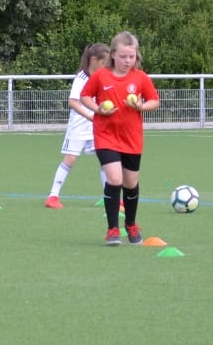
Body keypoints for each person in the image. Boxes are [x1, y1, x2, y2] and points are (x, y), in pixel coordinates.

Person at [69, 31, 161, 245]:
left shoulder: (140, 77)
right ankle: (112, 229)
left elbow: (154, 101)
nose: (127, 61)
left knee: (130, 183)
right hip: (105, 136)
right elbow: (84, 96)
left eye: (131, 56)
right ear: (112, 55)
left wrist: (141, 106)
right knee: (114, 179)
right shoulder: (101, 76)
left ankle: (131, 224)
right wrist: (98, 109)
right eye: (122, 56)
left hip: (132, 138)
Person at [45, 42, 111, 208]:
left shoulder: (102, 77)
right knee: (70, 159)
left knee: (105, 160)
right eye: (104, 62)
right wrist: (89, 116)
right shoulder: (82, 78)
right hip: (79, 126)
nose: (106, 66)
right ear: (94, 60)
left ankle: (109, 198)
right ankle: (53, 197)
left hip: (96, 126)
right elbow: (73, 102)